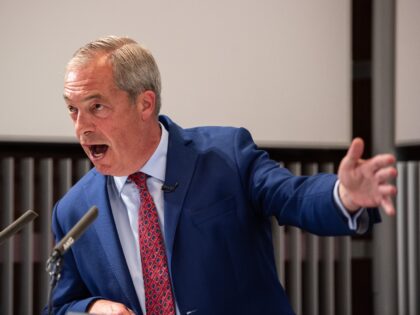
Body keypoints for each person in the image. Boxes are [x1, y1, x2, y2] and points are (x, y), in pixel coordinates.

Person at [44, 35, 397, 315]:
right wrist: (91, 309)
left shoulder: (225, 155)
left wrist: (344, 196)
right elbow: (61, 306)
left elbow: (291, 195)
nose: (81, 127)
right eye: (72, 110)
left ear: (145, 104)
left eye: (97, 107)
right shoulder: (74, 210)